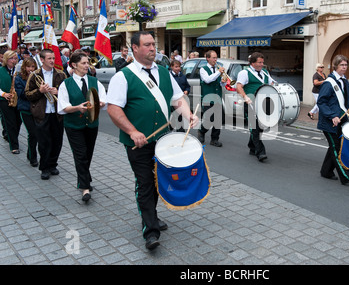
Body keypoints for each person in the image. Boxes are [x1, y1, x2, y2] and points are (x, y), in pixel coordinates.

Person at [107, 31, 198, 251]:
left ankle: (153, 218)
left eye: (153, 44)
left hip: (163, 139)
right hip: (138, 142)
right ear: (135, 49)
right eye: (147, 45)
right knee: (145, 182)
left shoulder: (165, 73)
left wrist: (189, 115)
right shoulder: (123, 76)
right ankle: (150, 231)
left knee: (157, 181)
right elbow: (113, 108)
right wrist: (132, 131)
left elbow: (178, 99)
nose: (152, 48)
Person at [58, 52, 107, 202]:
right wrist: (77, 107)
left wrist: (100, 104)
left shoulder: (94, 81)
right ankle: (85, 187)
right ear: (74, 65)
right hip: (73, 125)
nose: (87, 65)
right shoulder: (65, 84)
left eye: (88, 63)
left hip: (92, 124)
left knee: (88, 154)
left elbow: (104, 100)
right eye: (84, 63)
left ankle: (84, 177)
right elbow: (63, 107)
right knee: (80, 154)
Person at [317, 55, 349, 185]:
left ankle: (326, 171)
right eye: (342, 65)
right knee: (336, 148)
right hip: (330, 121)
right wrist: (331, 116)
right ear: (336, 66)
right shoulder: (329, 83)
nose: (344, 67)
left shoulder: (344, 81)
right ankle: (346, 175)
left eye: (346, 65)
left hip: (342, 120)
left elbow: (348, 101)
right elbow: (321, 102)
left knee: (335, 147)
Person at [25, 49, 66, 180]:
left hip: (56, 113)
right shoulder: (34, 75)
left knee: (57, 140)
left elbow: (68, 92)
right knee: (43, 142)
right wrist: (40, 91)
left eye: (53, 58)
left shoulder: (61, 74)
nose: (52, 61)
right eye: (49, 58)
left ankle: (53, 164)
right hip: (42, 113)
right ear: (42, 60)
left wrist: (58, 91)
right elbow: (28, 94)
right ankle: (44, 167)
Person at [236, 52, 277, 162]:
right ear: (252, 63)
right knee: (254, 128)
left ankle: (252, 146)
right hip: (250, 103)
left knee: (260, 127)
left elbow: (270, 84)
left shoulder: (265, 72)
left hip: (263, 104)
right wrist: (245, 97)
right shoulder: (245, 73)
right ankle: (261, 152)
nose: (261, 64)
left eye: (262, 62)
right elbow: (239, 86)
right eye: (259, 62)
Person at [198, 50, 226, 147]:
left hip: (217, 97)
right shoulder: (203, 69)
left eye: (216, 57)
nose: (215, 59)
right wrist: (219, 72)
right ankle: (201, 131)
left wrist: (223, 81)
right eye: (213, 58)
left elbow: (221, 84)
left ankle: (214, 139)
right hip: (207, 97)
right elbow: (208, 80)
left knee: (219, 119)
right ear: (208, 58)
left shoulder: (218, 69)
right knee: (208, 119)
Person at [15, 58, 39, 166]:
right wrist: (38, 92)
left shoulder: (38, 76)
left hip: (37, 109)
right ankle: (33, 157)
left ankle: (30, 154)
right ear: (24, 67)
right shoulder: (19, 78)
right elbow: (22, 94)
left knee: (37, 134)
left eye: (33, 67)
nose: (31, 69)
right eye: (28, 67)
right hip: (25, 109)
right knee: (33, 133)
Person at [0, 50, 21, 154]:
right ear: (6, 60)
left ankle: (12, 137)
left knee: (18, 121)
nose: (14, 61)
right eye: (11, 58)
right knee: (10, 123)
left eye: (15, 58)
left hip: (17, 99)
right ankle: (14, 146)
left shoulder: (18, 71)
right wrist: (4, 94)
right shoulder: (1, 71)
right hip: (5, 100)